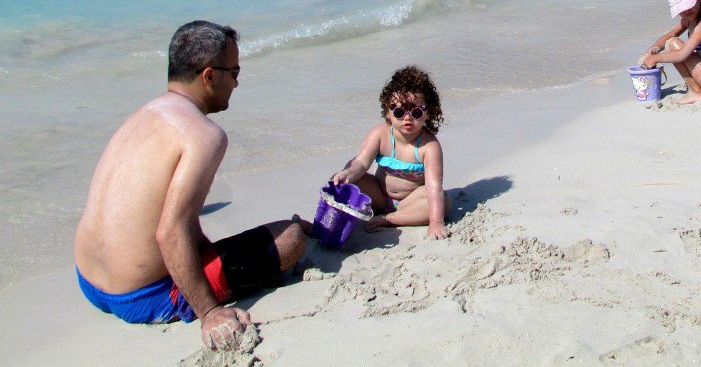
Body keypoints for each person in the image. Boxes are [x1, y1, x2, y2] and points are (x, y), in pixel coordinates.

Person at [74, 21, 309, 348]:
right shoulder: (205, 136)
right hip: (140, 296)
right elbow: (170, 231)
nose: (237, 83)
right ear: (210, 76)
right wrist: (209, 312)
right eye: (235, 72)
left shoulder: (145, 114)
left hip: (87, 280)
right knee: (292, 237)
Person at [330, 66, 450, 239]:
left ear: (428, 113)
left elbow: (433, 186)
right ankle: (329, 224)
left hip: (410, 204)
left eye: (416, 112)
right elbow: (361, 163)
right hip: (377, 197)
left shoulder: (429, 146)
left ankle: (389, 219)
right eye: (400, 112)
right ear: (388, 112)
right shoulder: (380, 134)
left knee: (443, 202)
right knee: (341, 180)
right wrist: (348, 173)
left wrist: (436, 223)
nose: (407, 118)